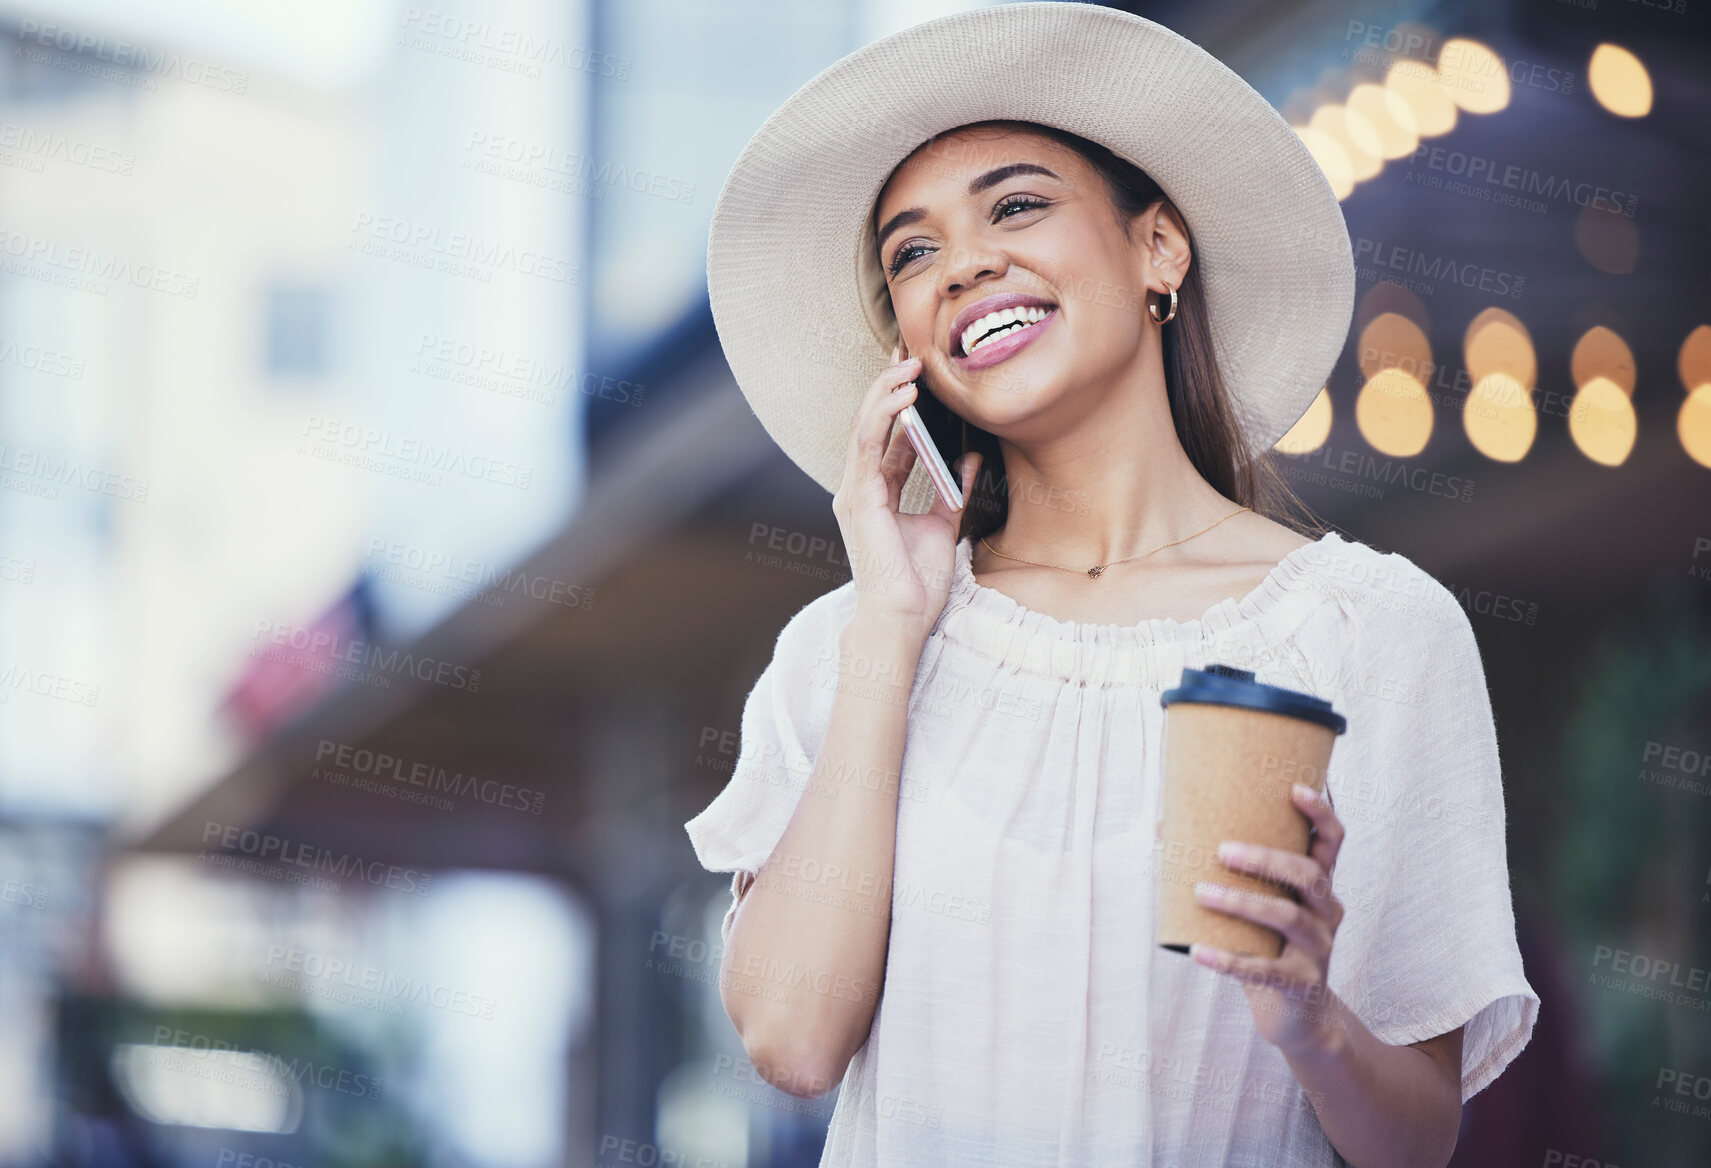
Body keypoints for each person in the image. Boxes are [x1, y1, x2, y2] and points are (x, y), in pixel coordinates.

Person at [686, 6, 1538, 1164]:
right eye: (912, 252)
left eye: (1017, 205)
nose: (966, 262)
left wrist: (1308, 1020)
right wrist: (892, 622)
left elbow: (1418, 1140)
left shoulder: (1369, 633)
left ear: (1159, 249)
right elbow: (789, 1040)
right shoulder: (849, 643)